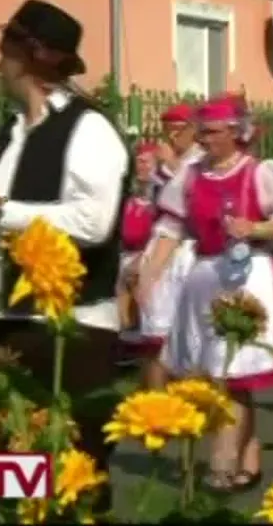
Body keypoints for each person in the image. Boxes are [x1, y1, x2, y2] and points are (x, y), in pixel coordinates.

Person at [0, 0, 130, 510]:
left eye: (4, 51)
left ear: (30, 56)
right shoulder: (4, 137)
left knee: (70, 481)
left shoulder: (89, 129)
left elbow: (94, 222)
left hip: (67, 327)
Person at [140, 95, 273, 494]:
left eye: (212, 132)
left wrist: (256, 228)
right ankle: (249, 460)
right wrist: (149, 275)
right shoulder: (192, 176)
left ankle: (222, 464)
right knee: (213, 372)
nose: (204, 139)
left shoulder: (259, 172)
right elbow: (170, 228)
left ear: (236, 133)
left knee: (235, 372)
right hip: (206, 274)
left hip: (251, 277)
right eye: (203, 131)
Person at [117, 142, 175, 386]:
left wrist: (142, 260)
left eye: (146, 161)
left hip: (150, 255)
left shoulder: (160, 191)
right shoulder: (128, 192)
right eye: (138, 160)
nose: (140, 166)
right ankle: (125, 350)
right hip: (125, 253)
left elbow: (163, 231)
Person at [154, 103, 203, 192]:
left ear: (193, 130)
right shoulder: (162, 159)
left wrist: (172, 163)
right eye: (167, 129)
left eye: (178, 129)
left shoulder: (201, 159)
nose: (172, 135)